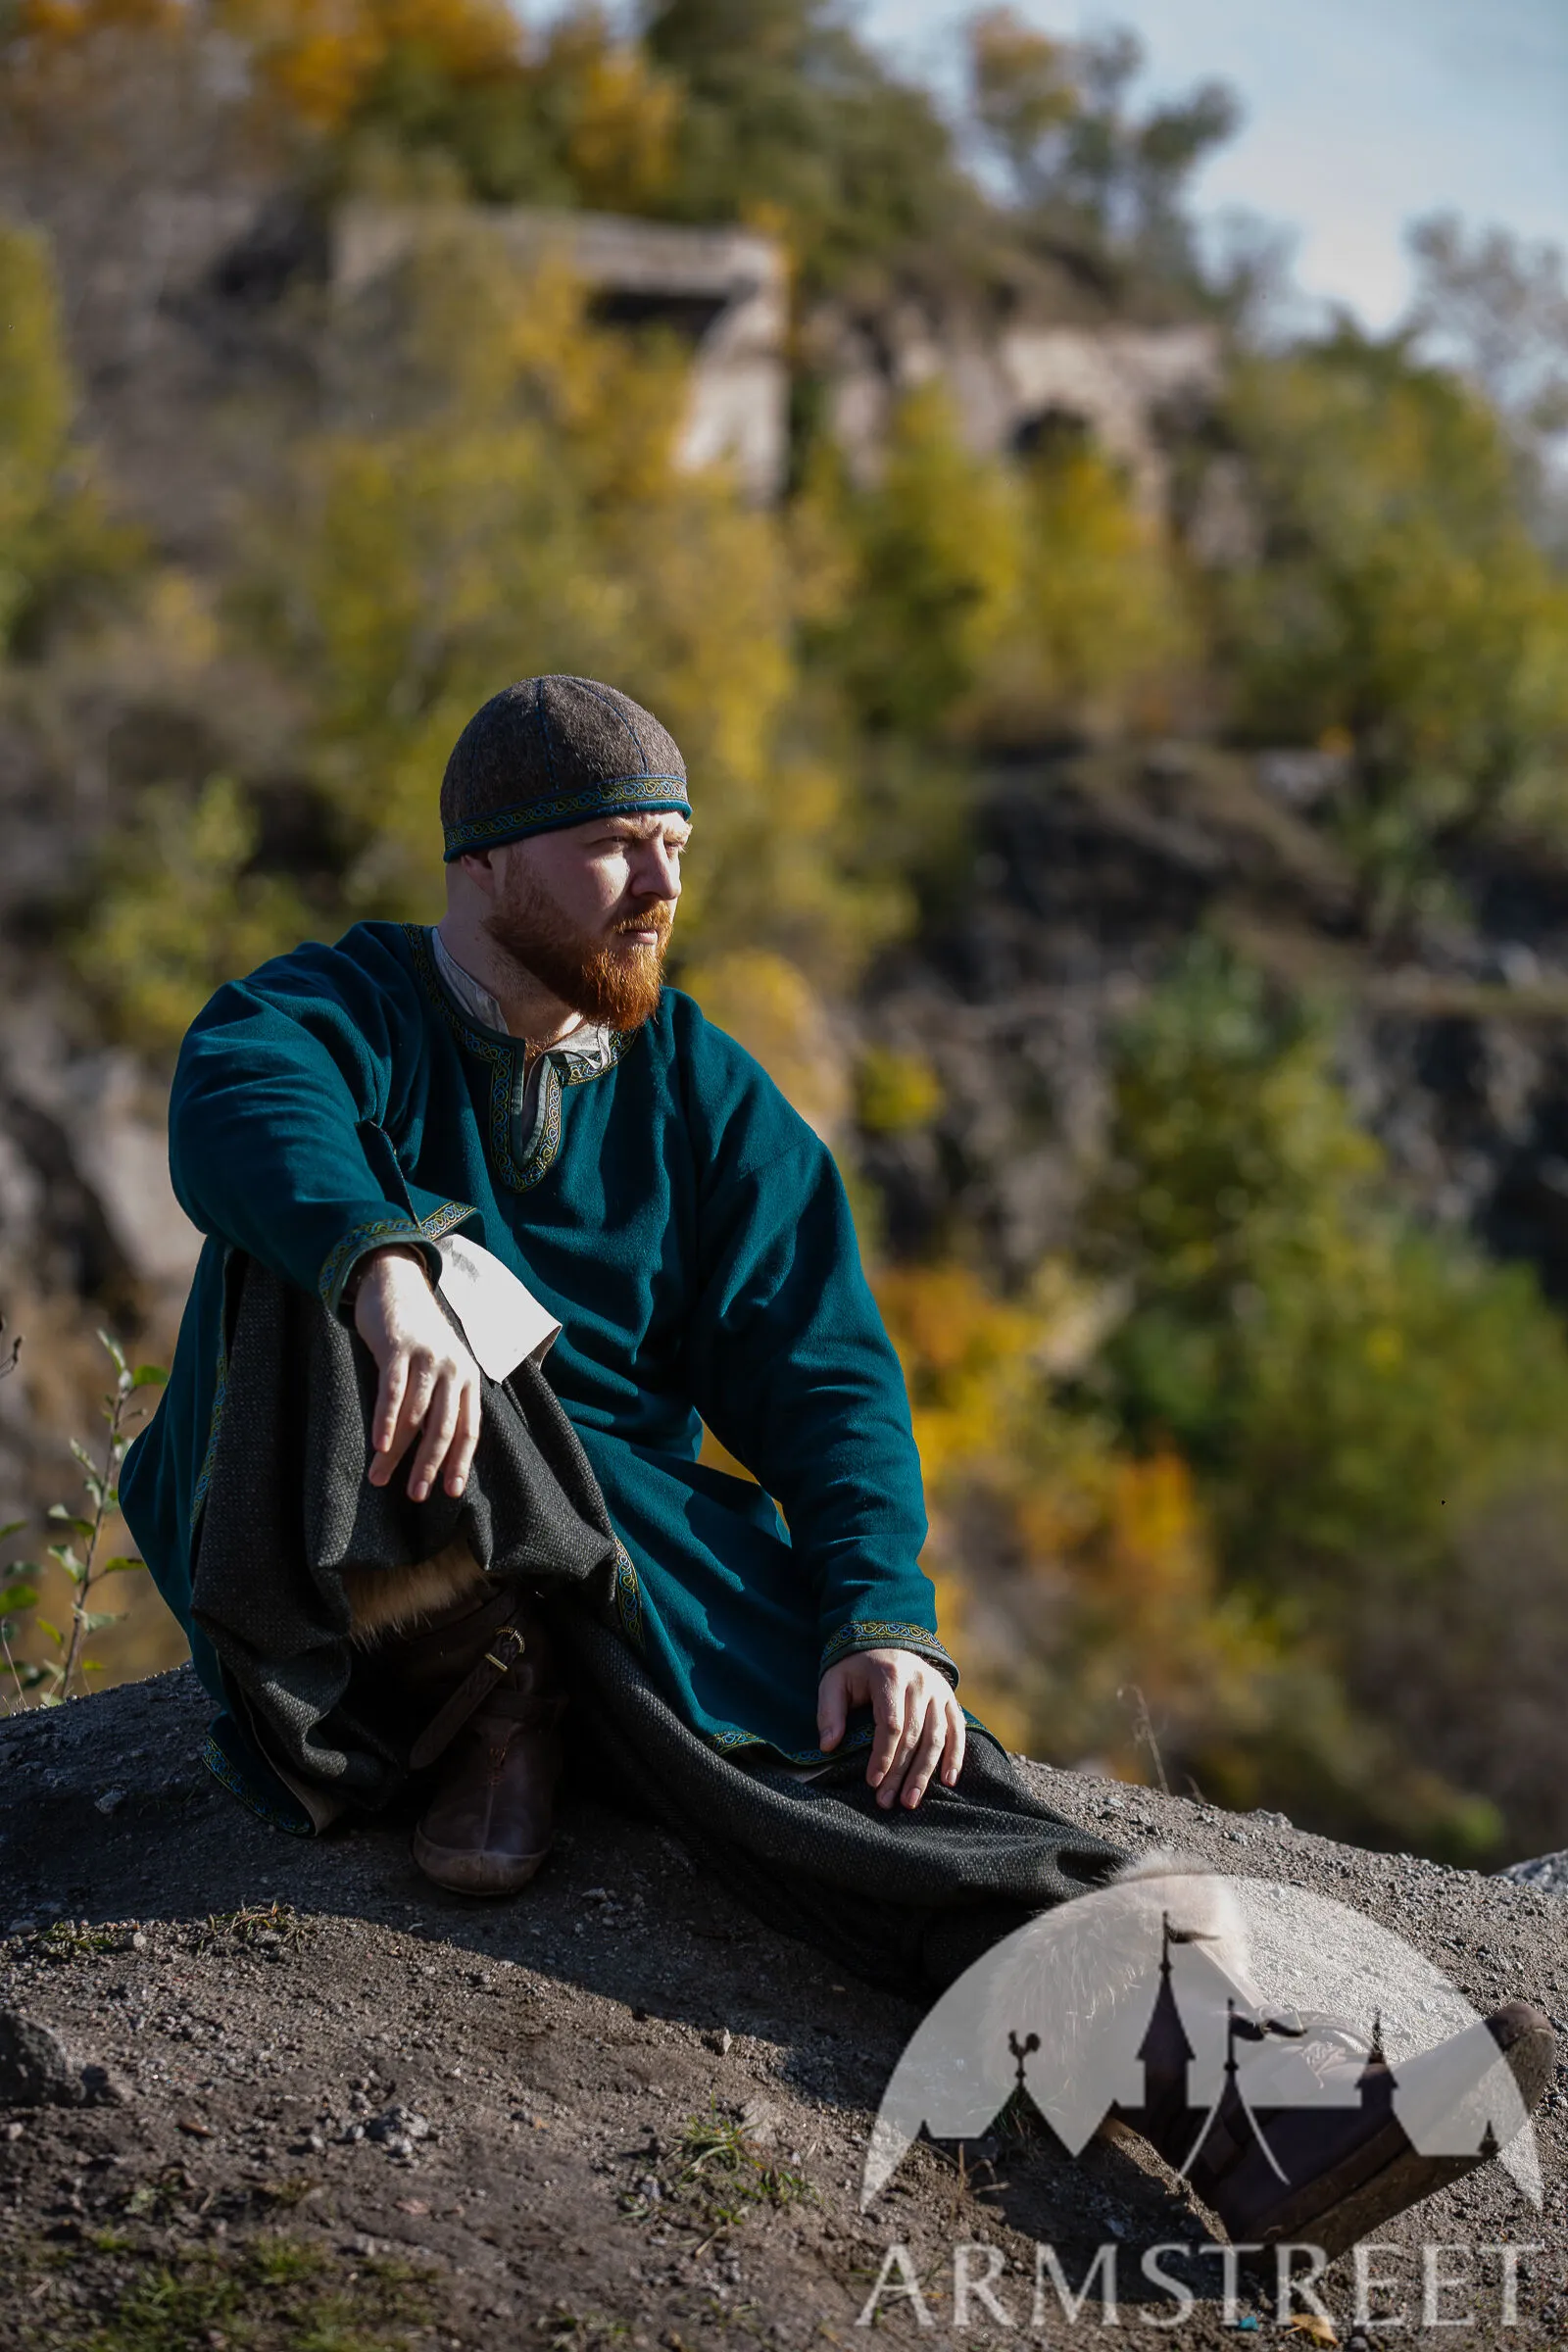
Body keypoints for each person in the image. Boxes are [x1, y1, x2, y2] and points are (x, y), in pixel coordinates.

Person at [122, 674, 1551, 2255]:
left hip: (612, 1545)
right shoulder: (346, 1010)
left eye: (675, 844)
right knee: (314, 1249)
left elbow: (826, 1376)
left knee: (883, 1768)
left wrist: (877, 1616)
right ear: (484, 863)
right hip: (368, 1585)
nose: (661, 887)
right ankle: (474, 1686)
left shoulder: (700, 1092)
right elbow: (238, 1091)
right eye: (611, 848)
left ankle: (1245, 2118)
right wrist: (382, 1263)